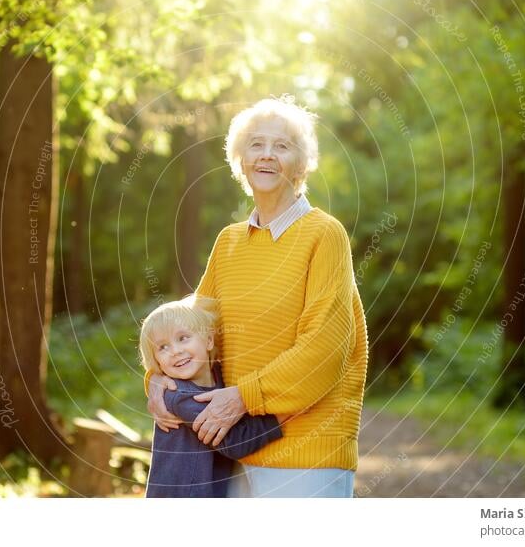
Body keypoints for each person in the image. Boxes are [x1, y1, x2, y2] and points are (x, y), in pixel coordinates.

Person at [146, 95, 369, 497]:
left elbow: (325, 349)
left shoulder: (324, 234)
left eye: (281, 146)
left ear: (300, 164)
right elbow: (191, 333)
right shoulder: (229, 242)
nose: (267, 155)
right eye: (256, 144)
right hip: (232, 453)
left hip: (306, 459)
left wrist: (242, 398)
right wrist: (158, 379)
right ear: (240, 160)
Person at [140, 295, 282, 498]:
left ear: (208, 340)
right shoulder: (179, 395)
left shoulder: (221, 375)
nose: (176, 351)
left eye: (183, 338)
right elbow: (234, 442)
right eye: (163, 347)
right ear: (157, 362)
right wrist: (280, 418)